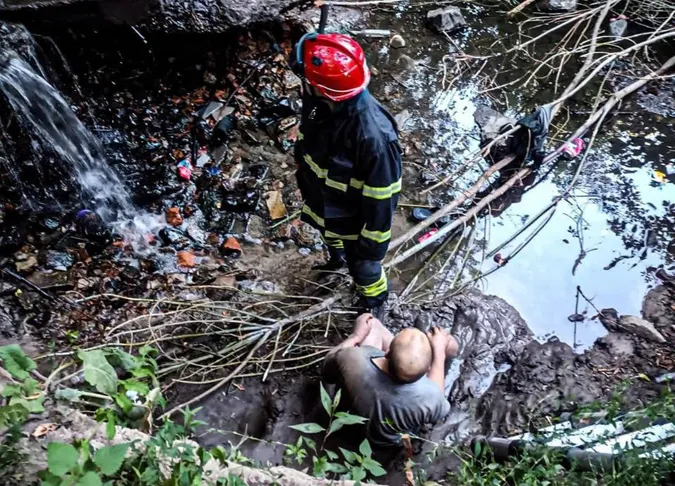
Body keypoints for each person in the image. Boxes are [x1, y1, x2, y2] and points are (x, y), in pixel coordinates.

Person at [292, 33, 402, 318]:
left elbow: (382, 200)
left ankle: (374, 305)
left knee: (364, 269)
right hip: (324, 200)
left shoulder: (375, 138)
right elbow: (312, 127)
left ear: (325, 89)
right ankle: (336, 260)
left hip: (355, 217)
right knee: (330, 235)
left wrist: (370, 250)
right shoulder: (320, 102)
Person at [323, 314, 459, 446]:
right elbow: (438, 412)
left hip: (348, 422)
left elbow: (326, 373)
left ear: (387, 352)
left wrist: (355, 337)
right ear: (427, 369)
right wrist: (438, 352)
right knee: (449, 344)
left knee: (371, 322)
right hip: (386, 442)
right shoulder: (431, 397)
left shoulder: (352, 357)